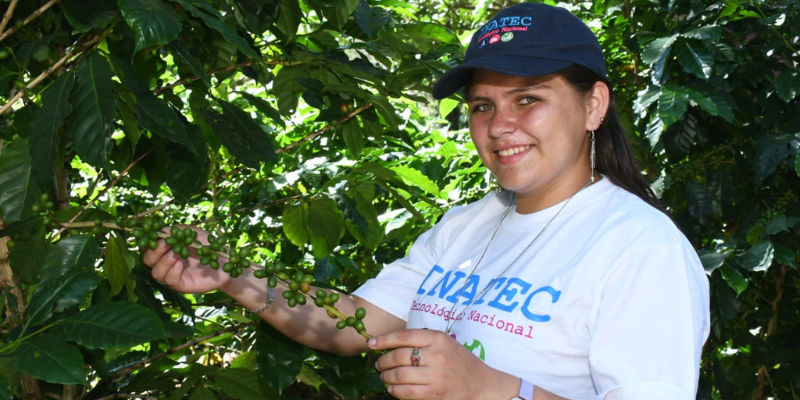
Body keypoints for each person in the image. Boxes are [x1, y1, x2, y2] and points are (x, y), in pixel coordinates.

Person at [144, 3, 710, 400]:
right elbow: (349, 326)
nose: (500, 126)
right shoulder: (467, 225)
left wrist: (493, 390)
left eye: (529, 99)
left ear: (594, 107)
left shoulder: (641, 249)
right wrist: (231, 275)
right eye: (483, 106)